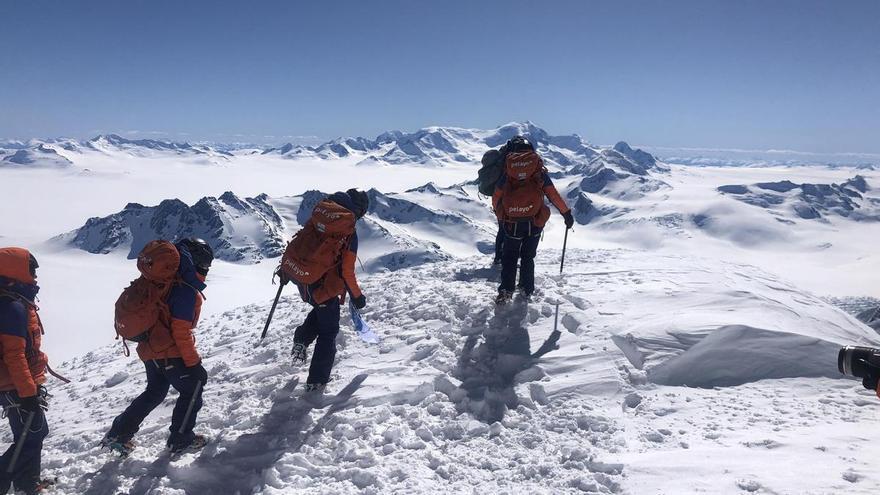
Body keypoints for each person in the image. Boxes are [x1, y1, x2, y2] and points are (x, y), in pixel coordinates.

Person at [102, 238, 214, 455]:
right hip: (168, 351)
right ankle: (180, 438)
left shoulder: (159, 279)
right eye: (206, 265)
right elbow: (180, 331)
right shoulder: (183, 289)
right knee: (194, 385)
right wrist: (193, 363)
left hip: (149, 350)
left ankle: (119, 433)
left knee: (155, 392)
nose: (207, 270)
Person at [283, 189, 369, 393]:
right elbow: (347, 271)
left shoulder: (322, 215)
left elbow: (302, 241)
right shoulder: (347, 230)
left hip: (303, 279)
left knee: (323, 311)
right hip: (324, 286)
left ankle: (302, 339)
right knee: (328, 331)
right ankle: (317, 380)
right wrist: (357, 297)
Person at [492, 137, 574, 304]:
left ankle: (506, 290)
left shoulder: (508, 171)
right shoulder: (538, 171)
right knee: (528, 256)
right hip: (534, 222)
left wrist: (500, 215)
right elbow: (553, 194)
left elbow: (497, 196)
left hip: (512, 222)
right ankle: (526, 289)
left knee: (510, 257)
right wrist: (566, 214)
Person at [0, 247, 51, 494]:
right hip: (15, 385)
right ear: (15, 270)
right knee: (33, 435)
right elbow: (14, 354)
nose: (34, 276)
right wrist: (28, 393)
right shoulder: (11, 306)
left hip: (14, 383)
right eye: (31, 270)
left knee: (30, 434)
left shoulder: (11, 300)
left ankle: (27, 482)